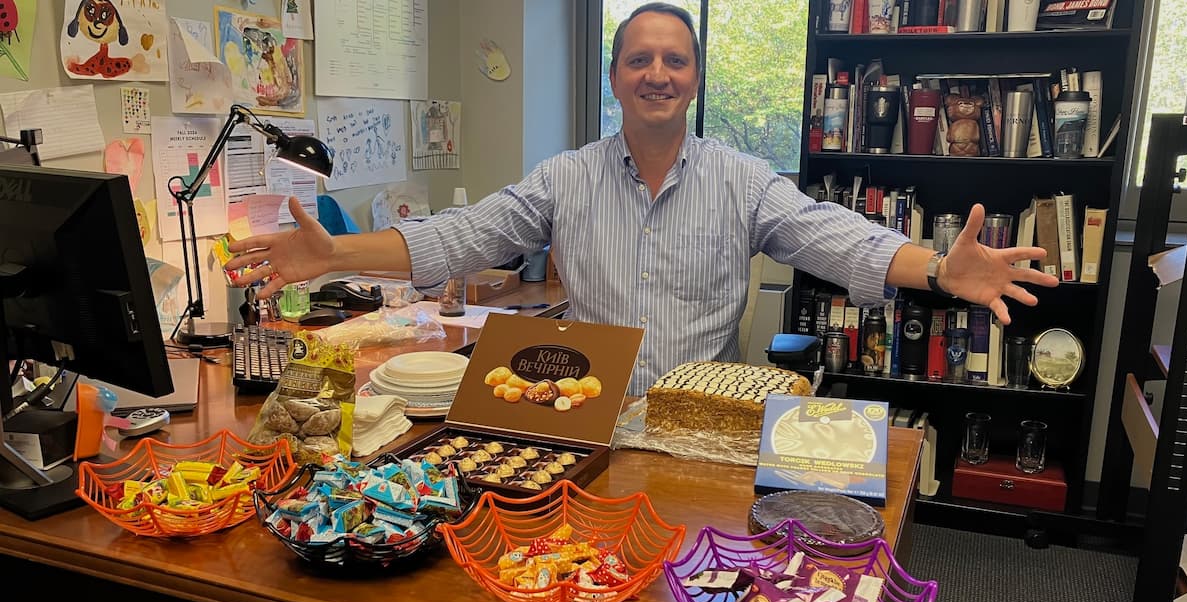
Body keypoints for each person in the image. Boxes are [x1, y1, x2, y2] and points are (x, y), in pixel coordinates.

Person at [226, 2, 1057, 394]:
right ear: (617, 77)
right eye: (639, 60)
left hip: (708, 421)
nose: (658, 73)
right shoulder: (566, 178)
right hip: (587, 415)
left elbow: (834, 237)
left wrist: (940, 273)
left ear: (694, 79)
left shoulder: (741, 179)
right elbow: (458, 237)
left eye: (676, 60)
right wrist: (334, 254)